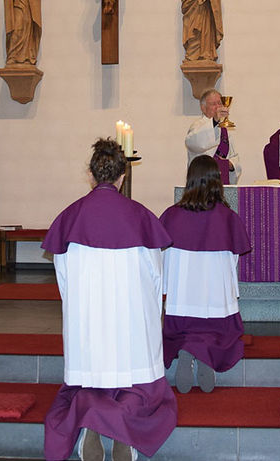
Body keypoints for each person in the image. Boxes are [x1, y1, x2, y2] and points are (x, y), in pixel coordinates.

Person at [42, 138, 176, 461]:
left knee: (89, 383)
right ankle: (123, 432)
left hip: (89, 328)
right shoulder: (141, 217)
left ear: (91, 174)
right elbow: (156, 277)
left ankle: (91, 424)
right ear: (122, 177)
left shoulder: (71, 218)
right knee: (140, 388)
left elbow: (64, 280)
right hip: (129, 326)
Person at [161, 155, 251, 394]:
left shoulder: (172, 216)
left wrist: (167, 289)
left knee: (182, 326)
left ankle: (187, 348)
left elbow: (164, 258)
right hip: (214, 303)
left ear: (190, 180)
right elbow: (233, 259)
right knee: (218, 329)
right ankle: (206, 354)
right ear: (217, 181)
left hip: (182, 304)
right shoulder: (228, 218)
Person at [184, 88, 241, 184]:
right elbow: (195, 143)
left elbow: (233, 157)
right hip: (202, 183)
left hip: (222, 183)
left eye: (220, 103)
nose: (218, 107)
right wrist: (214, 121)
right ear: (203, 108)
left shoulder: (225, 130)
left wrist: (231, 165)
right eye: (213, 104)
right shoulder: (197, 126)